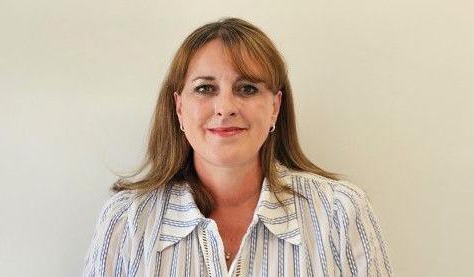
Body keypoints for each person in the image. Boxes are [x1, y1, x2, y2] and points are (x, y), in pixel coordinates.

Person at [83, 17, 393, 277]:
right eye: (205, 88)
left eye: (247, 88)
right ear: (179, 108)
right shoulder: (128, 221)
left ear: (275, 106)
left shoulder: (339, 214)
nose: (225, 107)